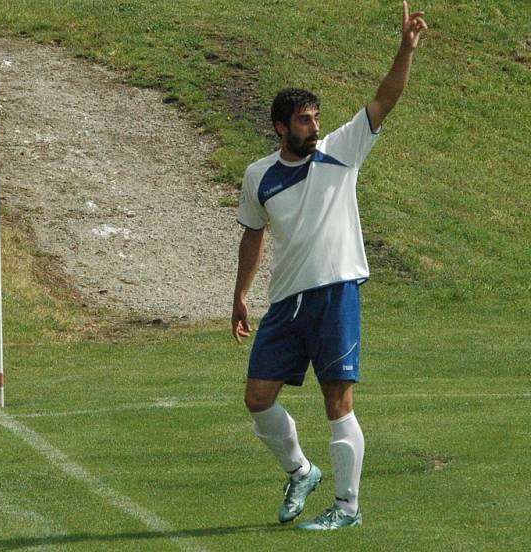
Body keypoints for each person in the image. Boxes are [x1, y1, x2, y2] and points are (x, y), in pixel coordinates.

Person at [232, 2, 426, 531]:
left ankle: (348, 507)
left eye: (316, 116)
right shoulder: (259, 176)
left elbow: (386, 98)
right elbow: (253, 234)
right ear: (280, 127)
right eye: (303, 119)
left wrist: (405, 49)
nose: (314, 125)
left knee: (337, 401)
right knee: (257, 398)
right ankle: (300, 470)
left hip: (337, 292)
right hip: (286, 301)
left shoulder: (341, 150)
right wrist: (240, 295)